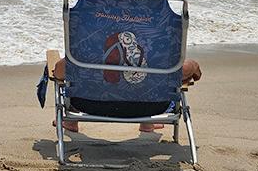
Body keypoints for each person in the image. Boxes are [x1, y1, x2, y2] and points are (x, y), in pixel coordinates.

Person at [52, 57, 202, 133]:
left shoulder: (91, 38)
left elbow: (59, 72)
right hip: (152, 107)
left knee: (76, 76)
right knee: (147, 68)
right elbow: (182, 71)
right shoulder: (157, 37)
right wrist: (193, 65)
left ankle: (71, 121)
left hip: (88, 104)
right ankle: (147, 122)